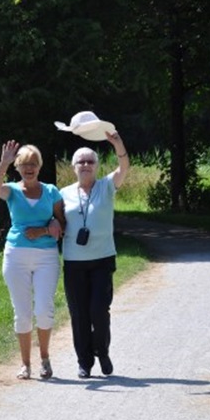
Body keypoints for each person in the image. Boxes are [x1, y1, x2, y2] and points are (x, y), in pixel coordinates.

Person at [0, 140, 66, 380]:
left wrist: (45, 230)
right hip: (16, 255)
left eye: (33, 164)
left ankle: (44, 358)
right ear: (18, 168)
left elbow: (62, 224)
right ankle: (25, 364)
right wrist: (3, 162)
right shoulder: (12, 190)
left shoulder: (52, 191)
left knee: (44, 310)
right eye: (24, 165)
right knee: (22, 313)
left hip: (46, 257)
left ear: (39, 166)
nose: (29, 168)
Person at [60, 131, 129, 378]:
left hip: (102, 260)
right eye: (81, 162)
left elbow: (124, 167)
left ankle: (103, 352)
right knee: (79, 314)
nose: (86, 165)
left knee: (99, 311)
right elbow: (55, 220)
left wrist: (117, 143)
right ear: (73, 167)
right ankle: (84, 362)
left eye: (90, 161)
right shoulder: (63, 194)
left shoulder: (106, 186)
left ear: (97, 166)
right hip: (74, 262)